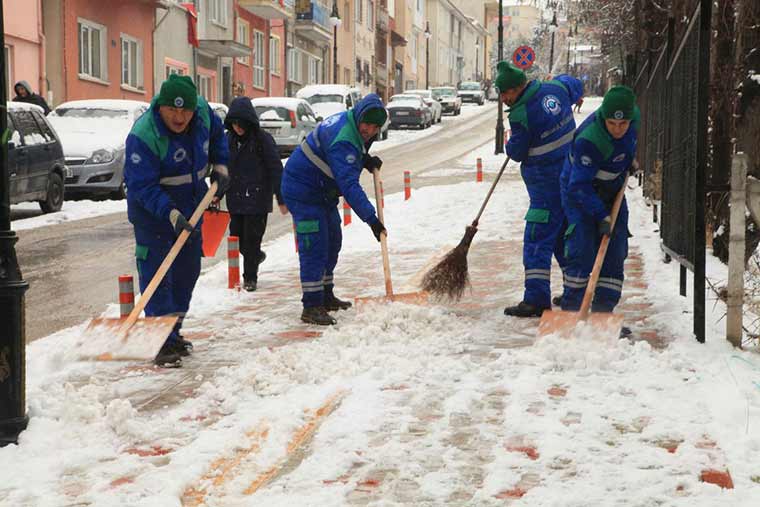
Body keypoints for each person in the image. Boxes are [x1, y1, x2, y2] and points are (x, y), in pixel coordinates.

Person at [124, 74, 230, 366]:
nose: (180, 116)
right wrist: (170, 213)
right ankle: (160, 342)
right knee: (158, 277)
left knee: (186, 272)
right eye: (173, 110)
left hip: (192, 207)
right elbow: (142, 186)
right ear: (160, 107)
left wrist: (221, 166)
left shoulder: (203, 114)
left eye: (186, 110)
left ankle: (173, 332)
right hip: (153, 215)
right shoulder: (143, 136)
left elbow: (219, 134)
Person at [281, 93, 387, 326]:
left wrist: (364, 159)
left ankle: (326, 295)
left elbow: (345, 160)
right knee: (315, 245)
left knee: (333, 240)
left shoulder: (350, 122)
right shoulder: (344, 138)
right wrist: (372, 219)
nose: (369, 130)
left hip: (321, 192)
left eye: (375, 127)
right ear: (359, 117)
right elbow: (349, 185)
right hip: (303, 191)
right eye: (367, 124)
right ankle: (311, 306)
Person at [495, 61, 584, 318]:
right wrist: (574, 96)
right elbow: (574, 84)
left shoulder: (521, 113)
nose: (504, 99)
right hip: (571, 177)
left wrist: (510, 143)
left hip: (546, 187)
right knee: (562, 238)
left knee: (536, 240)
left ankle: (536, 300)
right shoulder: (556, 87)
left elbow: (517, 151)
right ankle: (574, 293)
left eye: (505, 93)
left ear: (517, 88)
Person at [559, 86, 639, 318]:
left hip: (612, 190)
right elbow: (578, 186)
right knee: (581, 248)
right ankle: (572, 313)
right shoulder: (589, 139)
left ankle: (603, 315)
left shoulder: (634, 120)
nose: (617, 129)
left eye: (622, 124)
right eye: (612, 124)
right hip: (580, 191)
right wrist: (601, 215)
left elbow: (627, 144)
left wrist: (628, 162)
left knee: (616, 250)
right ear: (603, 117)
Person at [223, 96, 288, 292]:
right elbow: (221, 168)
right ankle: (255, 256)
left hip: (257, 199)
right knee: (237, 238)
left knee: (252, 239)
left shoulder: (262, 140)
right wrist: (217, 192)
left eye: (242, 124)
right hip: (235, 199)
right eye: (234, 124)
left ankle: (250, 277)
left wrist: (281, 197)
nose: (238, 128)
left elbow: (276, 169)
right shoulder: (228, 140)